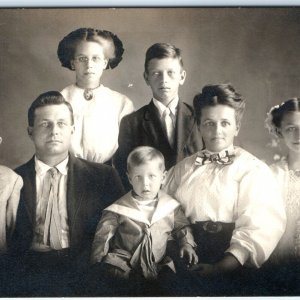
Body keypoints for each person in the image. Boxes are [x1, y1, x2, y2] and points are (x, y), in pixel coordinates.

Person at [163, 83, 286, 296]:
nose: (217, 131)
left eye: (225, 123)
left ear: (237, 127)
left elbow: (261, 224)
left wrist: (223, 266)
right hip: (187, 256)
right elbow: (164, 211)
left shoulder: (253, 170)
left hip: (234, 265)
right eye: (209, 123)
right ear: (199, 126)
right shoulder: (180, 170)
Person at [10, 91, 124, 296]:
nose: (54, 131)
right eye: (45, 124)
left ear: (72, 129)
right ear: (30, 131)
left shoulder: (103, 177)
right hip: (27, 277)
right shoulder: (12, 180)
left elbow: (121, 233)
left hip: (86, 276)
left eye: (62, 123)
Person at [90, 146, 197, 296]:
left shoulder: (170, 207)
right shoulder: (117, 209)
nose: (145, 184)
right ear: (129, 178)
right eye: (138, 177)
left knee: (169, 285)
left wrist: (186, 244)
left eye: (152, 176)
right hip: (123, 263)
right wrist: (97, 263)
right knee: (118, 283)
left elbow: (182, 227)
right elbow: (103, 237)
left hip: (157, 264)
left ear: (163, 177)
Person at [113, 43, 202, 191]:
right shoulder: (131, 123)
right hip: (150, 206)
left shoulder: (199, 117)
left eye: (171, 73)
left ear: (182, 76)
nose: (164, 80)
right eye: (156, 73)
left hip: (192, 203)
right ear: (146, 78)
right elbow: (125, 172)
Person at [57, 27, 134, 164]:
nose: (89, 65)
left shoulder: (121, 103)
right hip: (67, 169)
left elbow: (128, 150)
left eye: (96, 58)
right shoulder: (60, 99)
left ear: (105, 63)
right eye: (82, 59)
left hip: (108, 172)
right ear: (73, 62)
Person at [262, 98, 300, 294]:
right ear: (279, 131)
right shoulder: (270, 175)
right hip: (279, 269)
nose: (298, 135)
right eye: (291, 128)